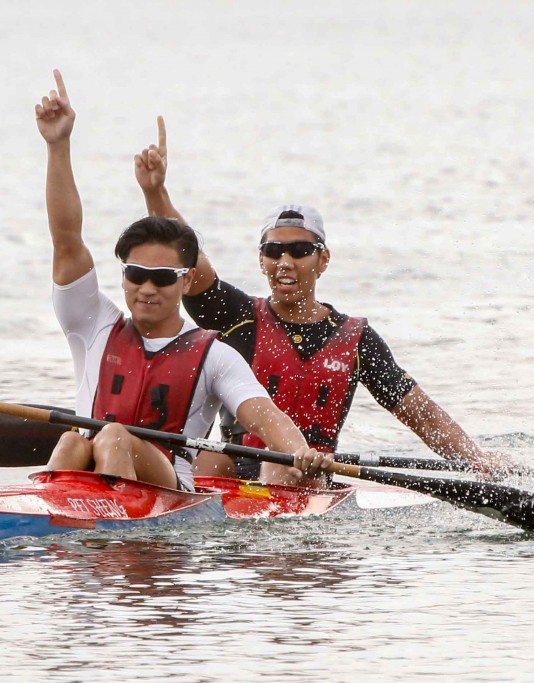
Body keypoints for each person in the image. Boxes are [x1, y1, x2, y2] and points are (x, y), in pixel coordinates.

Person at [133, 117, 507, 481]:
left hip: (305, 478)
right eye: (274, 251)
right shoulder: (238, 316)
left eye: (299, 251)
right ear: (261, 260)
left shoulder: (356, 339)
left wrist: (472, 457)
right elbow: (185, 254)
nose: (285, 262)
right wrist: (155, 192)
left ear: (323, 259)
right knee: (208, 461)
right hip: (232, 474)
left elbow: (418, 412)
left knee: (281, 466)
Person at [35, 70, 333, 492]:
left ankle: (109, 542)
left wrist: (299, 449)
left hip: (170, 489)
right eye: (136, 276)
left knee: (115, 435)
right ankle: (67, 520)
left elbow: (263, 414)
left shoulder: (215, 355)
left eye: (162, 277)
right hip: (89, 474)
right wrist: (57, 145)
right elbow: (66, 241)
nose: (147, 289)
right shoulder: (92, 325)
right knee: (70, 440)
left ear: (186, 279)